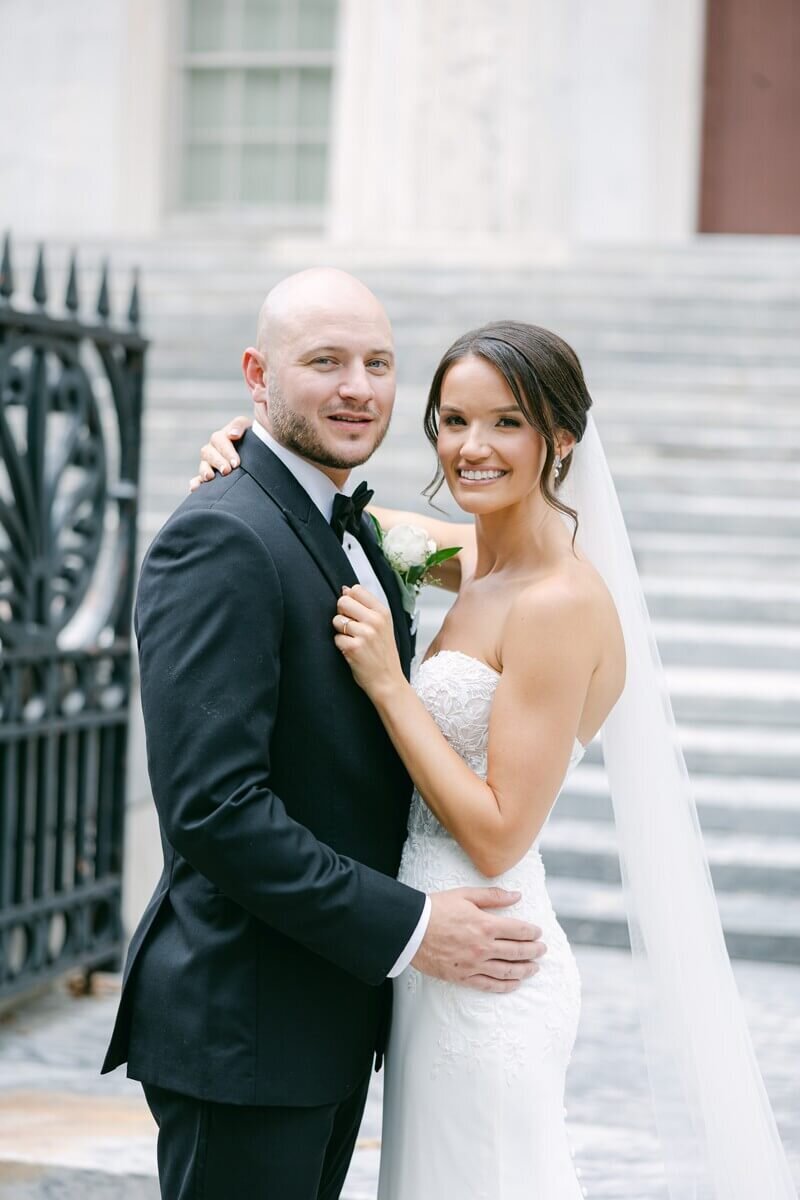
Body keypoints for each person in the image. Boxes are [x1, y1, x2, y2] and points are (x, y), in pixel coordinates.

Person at [196, 319, 797, 1199]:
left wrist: (390, 686)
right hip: (429, 958)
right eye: (452, 420)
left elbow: (501, 832)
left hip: (489, 958)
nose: (472, 449)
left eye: (505, 422)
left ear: (558, 439)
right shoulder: (469, 558)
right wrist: (236, 448)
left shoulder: (558, 603)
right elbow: (323, 514)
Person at [101, 271, 547, 1200]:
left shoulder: (350, 525)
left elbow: (512, 560)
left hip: (330, 1017)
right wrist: (416, 928)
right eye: (326, 362)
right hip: (247, 1026)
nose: (358, 387)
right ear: (257, 376)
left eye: (378, 363)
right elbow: (216, 813)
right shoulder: (222, 536)